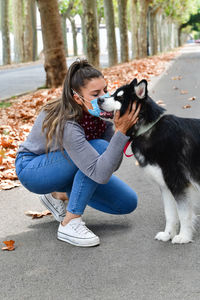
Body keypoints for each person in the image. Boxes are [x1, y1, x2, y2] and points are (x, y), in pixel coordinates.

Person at [15, 59, 140, 247]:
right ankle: (70, 222)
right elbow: (100, 169)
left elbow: (111, 164)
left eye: (105, 90)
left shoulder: (100, 117)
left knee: (127, 202)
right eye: (95, 93)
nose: (104, 96)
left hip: (66, 165)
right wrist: (121, 133)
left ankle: (57, 194)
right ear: (77, 98)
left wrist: (119, 131)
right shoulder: (67, 121)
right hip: (33, 169)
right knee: (98, 147)